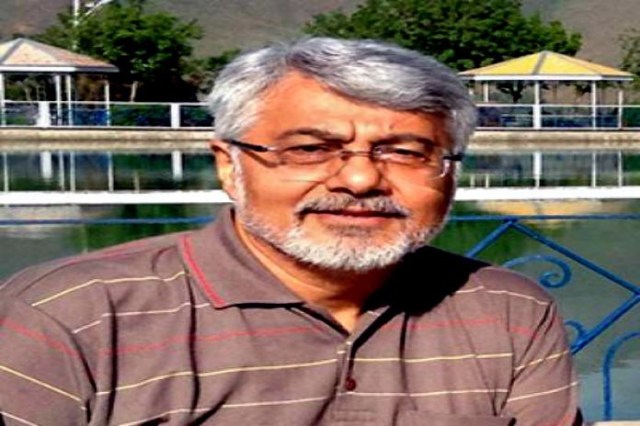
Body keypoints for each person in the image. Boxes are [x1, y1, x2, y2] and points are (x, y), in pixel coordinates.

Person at [0, 37, 582, 425]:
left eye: (405, 152)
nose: (360, 179)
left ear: (450, 173)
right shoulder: (71, 317)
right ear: (230, 165)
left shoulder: (506, 310)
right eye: (310, 149)